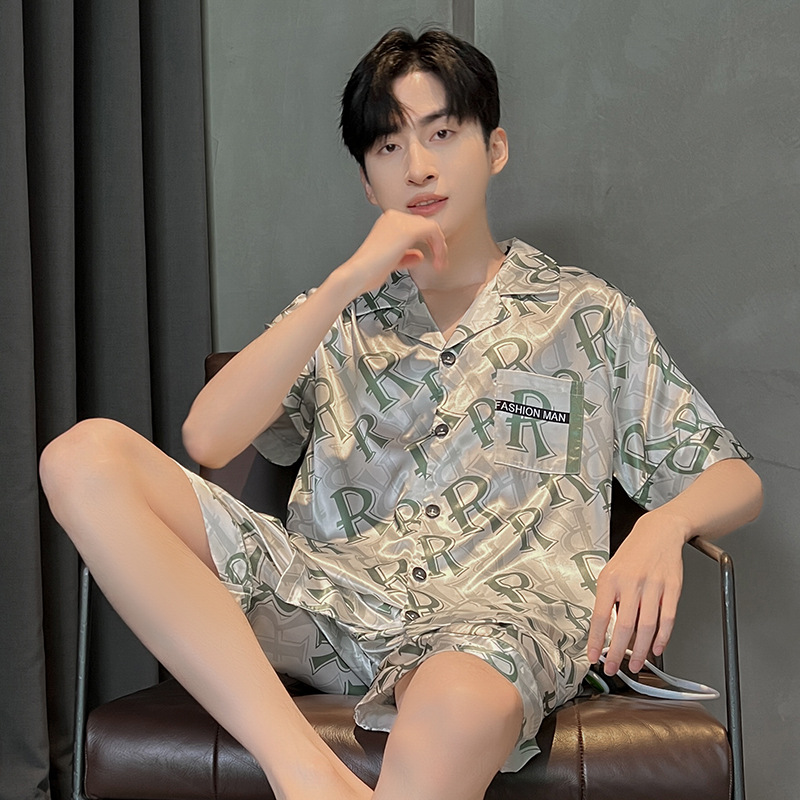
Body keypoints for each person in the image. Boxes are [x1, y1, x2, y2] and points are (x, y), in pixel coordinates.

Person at [40, 27, 762, 800]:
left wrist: (661, 525)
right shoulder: (335, 317)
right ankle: (304, 774)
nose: (417, 165)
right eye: (388, 146)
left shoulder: (587, 314)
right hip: (328, 601)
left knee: (456, 698)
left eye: (442, 133)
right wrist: (345, 282)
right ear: (367, 182)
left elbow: (734, 479)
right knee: (82, 456)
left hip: (500, 620)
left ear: (495, 148)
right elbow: (207, 437)